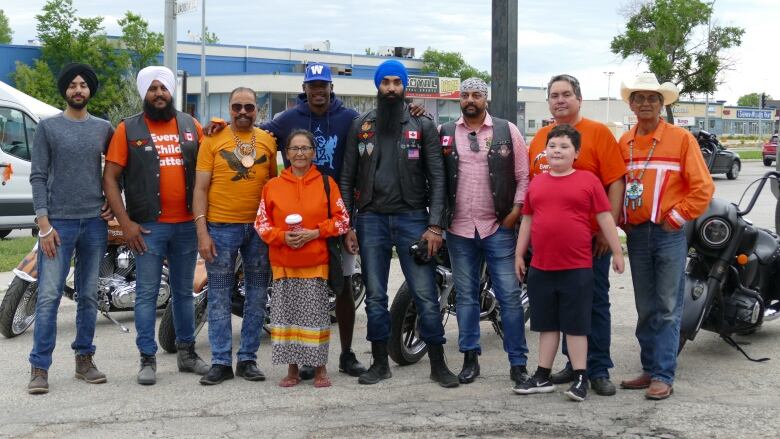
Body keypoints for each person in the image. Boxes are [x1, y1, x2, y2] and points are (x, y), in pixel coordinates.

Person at [339, 59, 459, 388]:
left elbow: (438, 179)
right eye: (385, 82)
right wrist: (349, 224)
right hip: (372, 220)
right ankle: (379, 363)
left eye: (396, 82)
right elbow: (347, 178)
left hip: (413, 220)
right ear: (377, 87)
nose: (391, 87)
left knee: (424, 294)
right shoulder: (361, 125)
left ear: (404, 86)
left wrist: (435, 226)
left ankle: (438, 363)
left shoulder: (422, 125)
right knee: (375, 296)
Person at [103, 66, 209, 385]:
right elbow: (110, 178)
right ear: (144, 94)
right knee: (147, 294)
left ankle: (187, 354)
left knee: (183, 293)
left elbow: (209, 167)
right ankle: (147, 359)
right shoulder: (128, 129)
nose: (159, 94)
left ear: (171, 92)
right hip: (148, 228)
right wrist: (126, 223)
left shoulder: (192, 126)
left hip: (187, 227)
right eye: (153, 89)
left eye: (163, 88)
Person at [527, 74, 626, 396]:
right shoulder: (542, 136)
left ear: (579, 98)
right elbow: (534, 187)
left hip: (589, 245)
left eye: (566, 94)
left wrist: (604, 230)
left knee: (593, 305)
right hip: (549, 250)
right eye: (554, 95)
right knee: (561, 310)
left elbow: (615, 182)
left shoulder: (598, 133)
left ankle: (597, 370)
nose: (560, 100)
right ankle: (574, 366)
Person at [617, 73, 714, 400]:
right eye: (640, 98)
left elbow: (703, 188)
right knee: (645, 307)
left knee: (668, 306)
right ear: (631, 103)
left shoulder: (680, 139)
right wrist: (622, 219)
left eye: (652, 98)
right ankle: (649, 368)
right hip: (637, 235)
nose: (646, 103)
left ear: (662, 104)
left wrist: (675, 217)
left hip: (668, 233)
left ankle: (663, 374)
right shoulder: (624, 142)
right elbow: (617, 186)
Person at [26, 63, 114, 394]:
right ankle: (39, 367)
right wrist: (43, 223)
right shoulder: (48, 128)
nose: (78, 90)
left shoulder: (104, 128)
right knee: (48, 296)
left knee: (89, 296)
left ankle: (84, 360)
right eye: (72, 85)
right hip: (57, 224)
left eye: (83, 85)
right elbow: (37, 175)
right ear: (65, 90)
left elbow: (116, 169)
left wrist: (112, 198)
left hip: (94, 223)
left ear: (90, 91)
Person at [438, 77, 531, 386]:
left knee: (509, 297)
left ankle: (518, 363)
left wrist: (516, 211)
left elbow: (523, 175)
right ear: (459, 100)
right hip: (459, 228)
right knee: (465, 297)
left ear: (486, 100)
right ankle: (469, 358)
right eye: (465, 95)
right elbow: (436, 177)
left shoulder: (507, 130)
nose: (470, 100)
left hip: (498, 226)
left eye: (476, 95)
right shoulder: (446, 133)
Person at [193, 87, 276, 385]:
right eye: (237, 106)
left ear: (258, 110)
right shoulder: (212, 140)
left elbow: (273, 191)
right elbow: (200, 189)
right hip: (220, 228)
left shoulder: (267, 142)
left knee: (256, 295)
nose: (243, 112)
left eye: (249, 107)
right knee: (218, 295)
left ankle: (248, 360)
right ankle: (220, 361)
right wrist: (202, 232)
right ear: (229, 108)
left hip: (257, 231)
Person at [255, 129, 350, 388]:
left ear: (313, 153)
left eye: (305, 148)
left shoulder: (326, 184)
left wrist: (315, 233)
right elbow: (261, 224)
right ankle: (292, 370)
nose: (299, 153)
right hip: (283, 264)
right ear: (286, 154)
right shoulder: (272, 186)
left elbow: (342, 221)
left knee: (316, 319)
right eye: (294, 149)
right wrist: (282, 237)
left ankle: (320, 370)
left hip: (316, 262)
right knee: (286, 319)